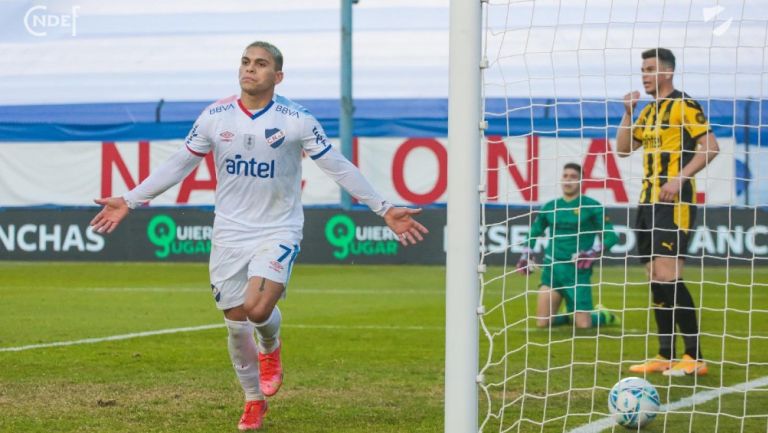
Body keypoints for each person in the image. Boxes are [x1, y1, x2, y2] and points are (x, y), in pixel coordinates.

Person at [90, 41, 428, 431]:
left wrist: (383, 208)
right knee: (236, 321)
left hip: (277, 228)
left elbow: (336, 165)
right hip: (229, 233)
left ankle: (270, 348)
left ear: (277, 76)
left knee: (258, 309)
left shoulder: (296, 119)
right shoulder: (215, 116)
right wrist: (131, 200)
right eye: (246, 62)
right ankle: (253, 401)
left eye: (261, 64)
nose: (250, 69)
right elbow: (180, 162)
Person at [616, 47, 719, 376]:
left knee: (669, 275)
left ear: (667, 72)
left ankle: (694, 356)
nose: (644, 75)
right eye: (642, 70)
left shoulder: (684, 105)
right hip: (647, 203)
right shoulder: (646, 112)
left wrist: (680, 178)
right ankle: (665, 354)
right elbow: (622, 148)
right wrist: (628, 112)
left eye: (649, 69)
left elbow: (711, 148)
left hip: (674, 204)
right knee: (654, 277)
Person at [516, 163, 620, 329]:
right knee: (542, 323)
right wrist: (525, 254)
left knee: (583, 325)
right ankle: (568, 315)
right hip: (552, 270)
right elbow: (534, 232)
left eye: (573, 177)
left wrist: (592, 252)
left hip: (577, 271)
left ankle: (603, 315)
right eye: (565, 176)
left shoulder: (592, 206)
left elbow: (612, 237)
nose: (568, 180)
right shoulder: (550, 207)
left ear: (581, 181)